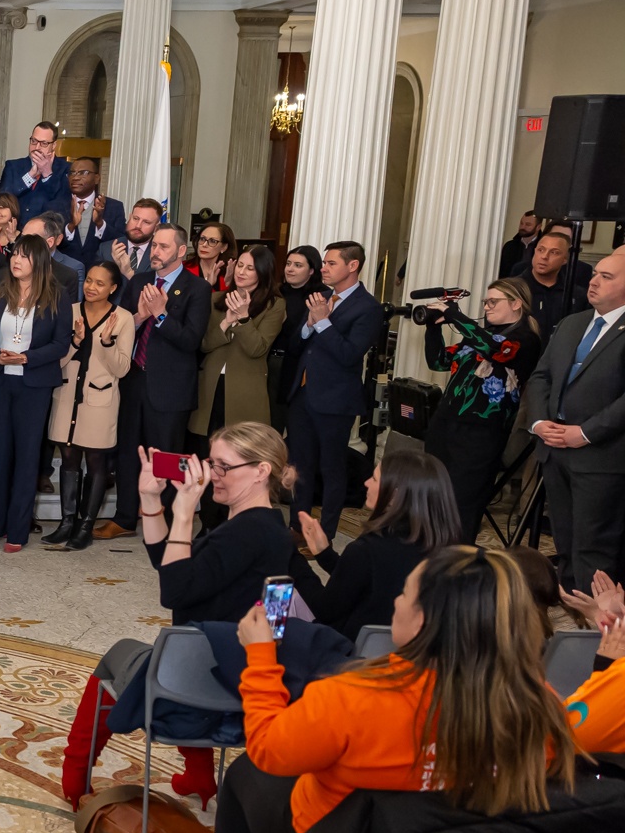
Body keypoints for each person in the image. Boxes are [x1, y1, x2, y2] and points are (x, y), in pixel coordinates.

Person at [210, 545, 578, 833]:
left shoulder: (353, 697)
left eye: (404, 593)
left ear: (423, 620)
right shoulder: (542, 707)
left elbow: (268, 749)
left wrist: (261, 656)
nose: (396, 602)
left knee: (246, 771)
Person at [60, 423, 298, 804]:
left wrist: (184, 511)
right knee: (172, 648)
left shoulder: (244, 534)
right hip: (231, 667)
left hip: (199, 680)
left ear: (261, 471)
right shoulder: (267, 528)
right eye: (211, 463)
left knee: (118, 656)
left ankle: (74, 778)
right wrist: (151, 501)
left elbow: (173, 591)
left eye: (224, 466)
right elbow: (170, 562)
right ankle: (199, 775)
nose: (212, 475)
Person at [95, 224, 210, 539]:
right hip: (134, 380)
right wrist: (141, 317)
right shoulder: (140, 281)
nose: (155, 251)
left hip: (171, 388)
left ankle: (169, 522)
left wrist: (160, 314)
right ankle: (124, 518)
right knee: (129, 453)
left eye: (163, 246)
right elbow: (120, 326)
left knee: (167, 457)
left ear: (181, 251)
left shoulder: (197, 288)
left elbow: (191, 340)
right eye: (154, 245)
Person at [525, 247, 625, 590]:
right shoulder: (573, 323)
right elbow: (541, 376)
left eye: (606, 277)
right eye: (595, 274)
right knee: (564, 542)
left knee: (593, 550)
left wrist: (585, 433)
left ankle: (597, 619)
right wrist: (539, 422)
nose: (593, 282)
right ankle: (572, 606)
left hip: (601, 458)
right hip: (554, 450)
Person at [290, 448, 462, 640]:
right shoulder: (449, 551)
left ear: (394, 496)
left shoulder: (367, 549)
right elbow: (368, 579)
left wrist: (292, 558)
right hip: (412, 648)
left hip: (353, 650)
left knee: (284, 605)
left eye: (374, 478)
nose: (366, 483)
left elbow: (325, 610)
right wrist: (325, 555)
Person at [421, 278, 542, 538]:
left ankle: (457, 559)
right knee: (431, 496)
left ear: (516, 304)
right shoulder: (478, 336)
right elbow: (438, 361)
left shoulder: (526, 339)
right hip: (445, 423)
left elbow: (497, 350)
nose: (486, 307)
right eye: (486, 302)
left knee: (462, 504)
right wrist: (433, 329)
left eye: (493, 301)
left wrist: (455, 316)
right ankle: (425, 554)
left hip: (481, 433)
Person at [0, 233, 69, 552]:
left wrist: (27, 358)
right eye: (15, 253)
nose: (16, 260)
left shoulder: (57, 296)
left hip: (34, 386)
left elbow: (60, 344)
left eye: (24, 256)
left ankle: (18, 529)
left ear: (38, 262)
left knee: (27, 457)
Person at [287, 240, 382, 540]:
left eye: (331, 263)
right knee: (299, 466)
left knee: (332, 469)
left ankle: (324, 534)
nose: (324, 269)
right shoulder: (323, 297)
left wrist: (323, 322)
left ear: (352, 266)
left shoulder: (368, 307)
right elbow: (297, 344)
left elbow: (349, 354)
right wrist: (309, 324)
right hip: (303, 394)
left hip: (335, 401)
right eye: (324, 263)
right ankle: (297, 527)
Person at [43, 259, 131, 551]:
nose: (91, 287)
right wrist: (75, 342)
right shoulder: (68, 312)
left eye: (100, 283)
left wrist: (106, 343)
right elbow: (56, 361)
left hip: (100, 401)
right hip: (67, 396)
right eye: (89, 280)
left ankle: (85, 526)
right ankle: (67, 522)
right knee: (68, 459)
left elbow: (122, 369)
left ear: (113, 288)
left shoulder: (123, 318)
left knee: (96, 462)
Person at [191, 244, 285, 447]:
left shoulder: (274, 305)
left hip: (245, 388)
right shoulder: (216, 299)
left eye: (250, 268)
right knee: (204, 447)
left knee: (240, 448)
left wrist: (243, 319)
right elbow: (204, 344)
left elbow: (257, 349)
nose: (241, 272)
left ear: (263, 272)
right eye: (240, 265)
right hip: (209, 385)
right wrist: (225, 323)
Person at [269, 245, 323, 430]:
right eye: (288, 264)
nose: (290, 269)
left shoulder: (320, 297)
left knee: (296, 424)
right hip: (270, 361)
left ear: (312, 270)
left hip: (299, 367)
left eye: (298, 265)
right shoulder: (276, 292)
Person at [519, 223, 595, 344]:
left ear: (565, 259)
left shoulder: (577, 295)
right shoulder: (513, 289)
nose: (544, 256)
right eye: (541, 250)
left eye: (554, 252)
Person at [0, 122, 69, 222]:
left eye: (44, 143)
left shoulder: (65, 168)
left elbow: (62, 203)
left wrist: (47, 174)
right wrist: (30, 175)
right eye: (34, 141)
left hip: (47, 228)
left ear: (53, 145)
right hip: (15, 227)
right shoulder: (13, 166)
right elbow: (1, 199)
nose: (37, 147)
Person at [189, 221, 234, 294]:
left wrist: (228, 284)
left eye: (212, 241)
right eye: (202, 239)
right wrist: (207, 286)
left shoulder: (229, 273)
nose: (204, 245)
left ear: (224, 247)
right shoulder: (182, 268)